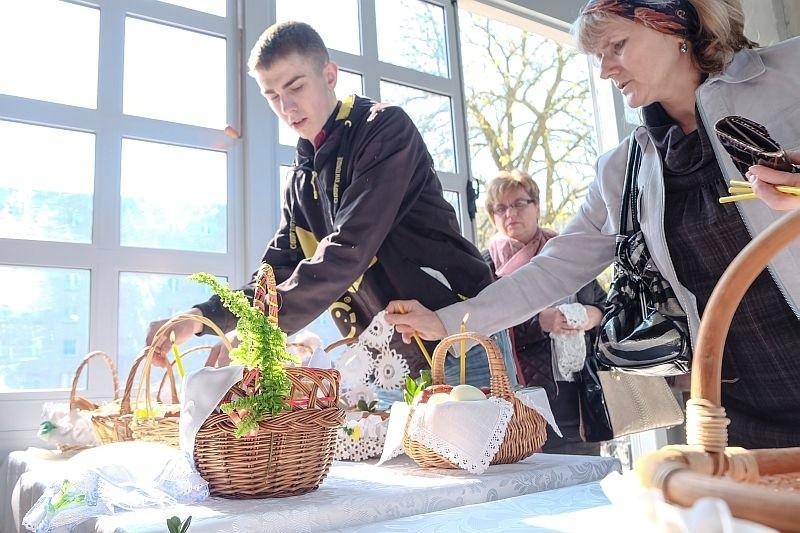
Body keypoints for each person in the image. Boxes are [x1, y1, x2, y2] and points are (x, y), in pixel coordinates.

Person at [386, 0, 800, 449]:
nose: (605, 70)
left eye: (617, 46)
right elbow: (553, 269)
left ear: (677, 25)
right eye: (598, 56)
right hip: (736, 407)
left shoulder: (789, 76)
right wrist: (447, 323)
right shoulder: (623, 169)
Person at [146, 21, 519, 391]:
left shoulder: (384, 129)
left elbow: (347, 250)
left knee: (494, 451)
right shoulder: (301, 178)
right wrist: (200, 319)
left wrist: (257, 332)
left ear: (329, 74)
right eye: (272, 96)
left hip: (459, 337)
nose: (287, 106)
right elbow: (273, 276)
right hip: (389, 360)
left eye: (295, 86)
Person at [483, 170, 605, 455]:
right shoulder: (486, 267)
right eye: (500, 208)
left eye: (519, 203)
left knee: (587, 479)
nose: (510, 213)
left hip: (581, 392)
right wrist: (540, 323)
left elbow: (606, 305)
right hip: (527, 397)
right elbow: (485, 326)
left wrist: (590, 316)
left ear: (536, 206)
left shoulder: (566, 254)